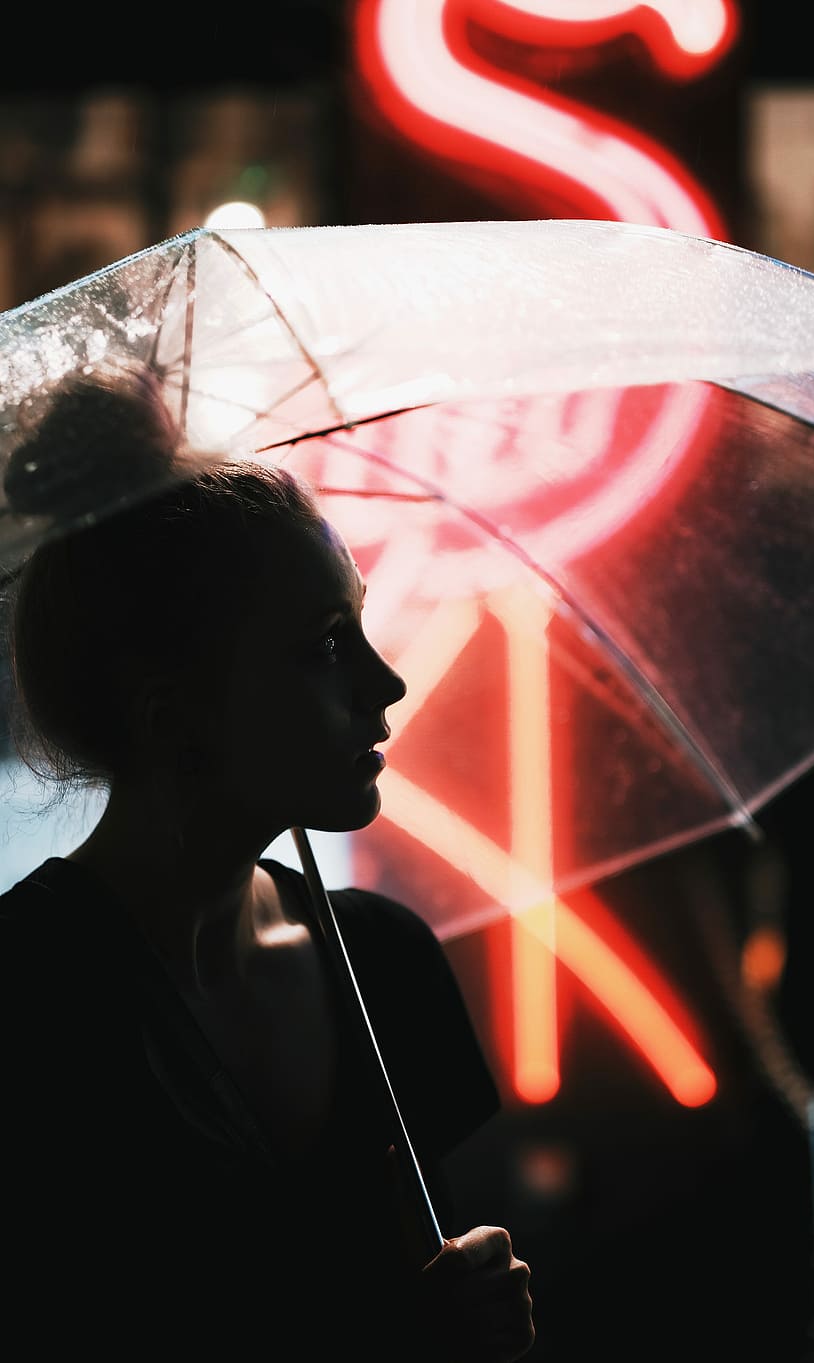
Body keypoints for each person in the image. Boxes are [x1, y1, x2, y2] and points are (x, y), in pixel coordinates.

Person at [0, 368, 535, 1360]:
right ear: (174, 715)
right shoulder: (28, 1000)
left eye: (362, 623)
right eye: (328, 646)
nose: (387, 681)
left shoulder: (385, 965)